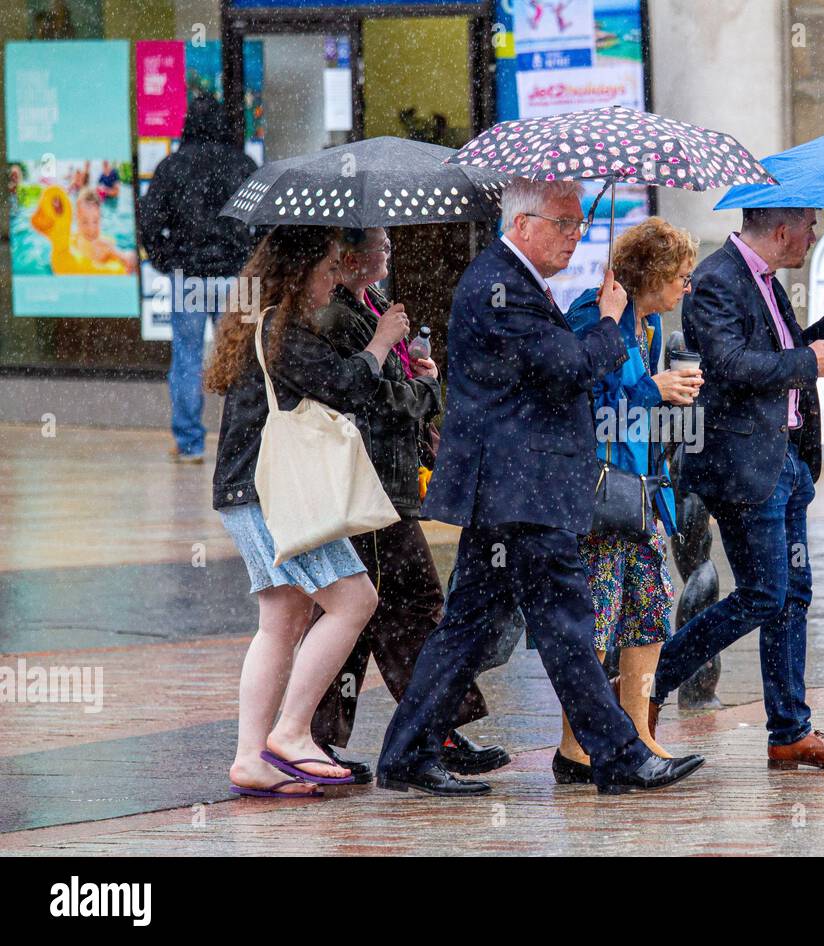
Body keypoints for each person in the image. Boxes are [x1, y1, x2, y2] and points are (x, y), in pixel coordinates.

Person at [376, 179, 705, 796]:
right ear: (523, 225)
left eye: (580, 224)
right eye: (564, 223)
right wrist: (609, 323)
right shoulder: (500, 286)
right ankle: (617, 757)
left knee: (474, 626)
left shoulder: (517, 281)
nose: (575, 235)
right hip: (519, 489)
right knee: (564, 623)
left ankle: (407, 753)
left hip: (516, 488)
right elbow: (568, 368)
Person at [649, 206, 824, 770]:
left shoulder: (764, 281)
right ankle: (648, 684)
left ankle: (789, 732)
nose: (814, 238)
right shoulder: (716, 279)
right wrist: (806, 360)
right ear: (782, 232)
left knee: (791, 597)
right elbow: (729, 366)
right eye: (810, 229)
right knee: (762, 594)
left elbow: (787, 352)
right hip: (743, 468)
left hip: (787, 465)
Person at [207, 224, 407, 797]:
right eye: (325, 270)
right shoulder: (282, 329)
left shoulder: (262, 323)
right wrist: (381, 343)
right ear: (298, 276)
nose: (332, 279)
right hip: (276, 497)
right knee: (354, 600)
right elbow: (347, 386)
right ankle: (292, 732)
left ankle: (250, 756)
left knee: (283, 621)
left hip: (245, 495)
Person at [308, 227, 509, 780]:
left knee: (396, 612)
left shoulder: (370, 305)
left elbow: (396, 387)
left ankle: (431, 727)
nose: (389, 255)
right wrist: (419, 388)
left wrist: (424, 375)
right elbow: (365, 395)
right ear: (351, 255)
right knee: (386, 611)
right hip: (364, 487)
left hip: (391, 485)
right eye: (381, 246)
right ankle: (319, 737)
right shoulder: (338, 317)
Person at [553, 217, 703, 784]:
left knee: (651, 610)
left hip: (639, 490)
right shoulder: (597, 317)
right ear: (654, 274)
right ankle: (577, 747)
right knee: (595, 621)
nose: (686, 286)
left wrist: (670, 400)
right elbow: (581, 399)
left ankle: (636, 734)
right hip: (596, 493)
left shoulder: (652, 325)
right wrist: (652, 390)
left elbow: (635, 405)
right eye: (681, 276)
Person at [139, 91, 258, 464]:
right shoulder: (243, 165)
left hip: (188, 277)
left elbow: (149, 224)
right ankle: (246, 443)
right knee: (245, 359)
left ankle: (190, 442)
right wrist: (252, 261)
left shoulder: (171, 167)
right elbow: (263, 222)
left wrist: (166, 260)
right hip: (238, 279)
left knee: (188, 359)